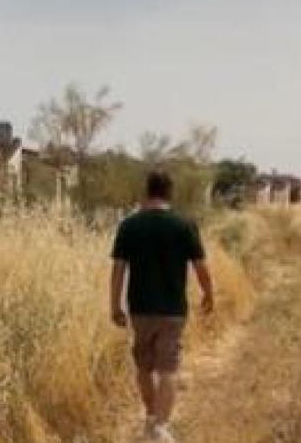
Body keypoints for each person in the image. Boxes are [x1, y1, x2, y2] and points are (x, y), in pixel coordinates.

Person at [110, 170, 214, 443]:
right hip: (172, 310)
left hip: (140, 308)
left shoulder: (129, 226)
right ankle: (160, 427)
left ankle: (151, 417)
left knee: (144, 367)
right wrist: (208, 293)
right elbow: (200, 266)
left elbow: (118, 269)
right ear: (169, 192)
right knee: (168, 368)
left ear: (147, 191)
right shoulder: (184, 225)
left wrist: (114, 305)